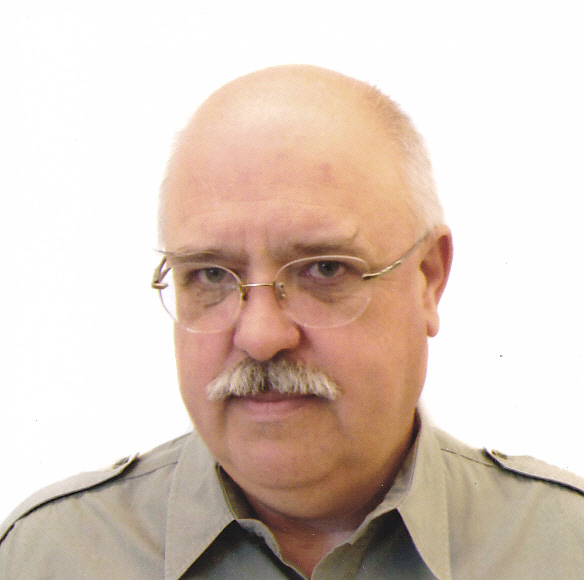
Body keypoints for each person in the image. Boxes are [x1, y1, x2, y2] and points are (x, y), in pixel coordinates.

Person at [1, 64, 583, 579]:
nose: (259, 337)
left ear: (428, 277)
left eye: (324, 270)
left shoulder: (565, 550)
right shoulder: (47, 560)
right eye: (209, 275)